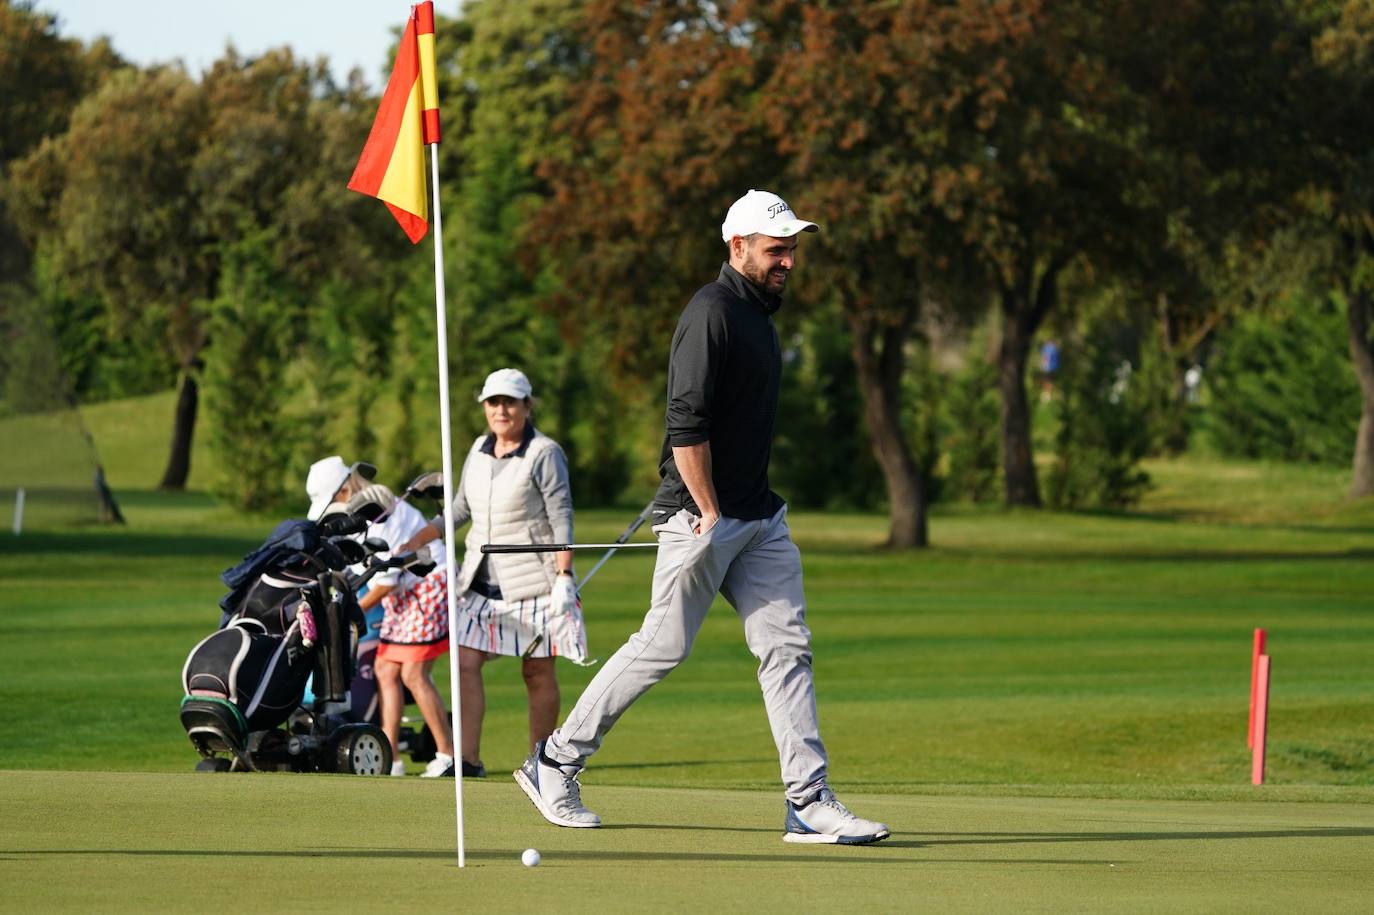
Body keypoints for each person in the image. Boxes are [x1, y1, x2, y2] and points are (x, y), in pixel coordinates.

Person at [513, 189, 890, 844]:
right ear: (737, 246)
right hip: (703, 517)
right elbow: (685, 424)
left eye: (793, 248)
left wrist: (737, 509)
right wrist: (709, 509)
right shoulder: (711, 313)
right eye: (777, 250)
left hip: (760, 518)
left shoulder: (759, 317)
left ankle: (808, 801)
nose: (789, 261)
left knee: (787, 648)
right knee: (662, 647)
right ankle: (554, 759)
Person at [401, 368, 585, 779]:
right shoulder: (478, 450)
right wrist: (418, 539)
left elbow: (561, 516)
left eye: (510, 402)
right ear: (484, 407)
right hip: (480, 580)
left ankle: (541, 765)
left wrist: (564, 576)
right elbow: (461, 509)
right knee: (464, 662)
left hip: (536, 581)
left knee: (536, 671)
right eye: (493, 402)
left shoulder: (544, 452)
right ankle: (467, 761)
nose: (501, 410)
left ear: (526, 406)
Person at [304, 455, 456, 777]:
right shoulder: (359, 517)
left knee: (414, 674)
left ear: (346, 489)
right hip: (407, 590)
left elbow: (385, 584)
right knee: (386, 669)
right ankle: (392, 759)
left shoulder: (381, 512)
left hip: (430, 583)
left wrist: (347, 614)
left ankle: (447, 756)